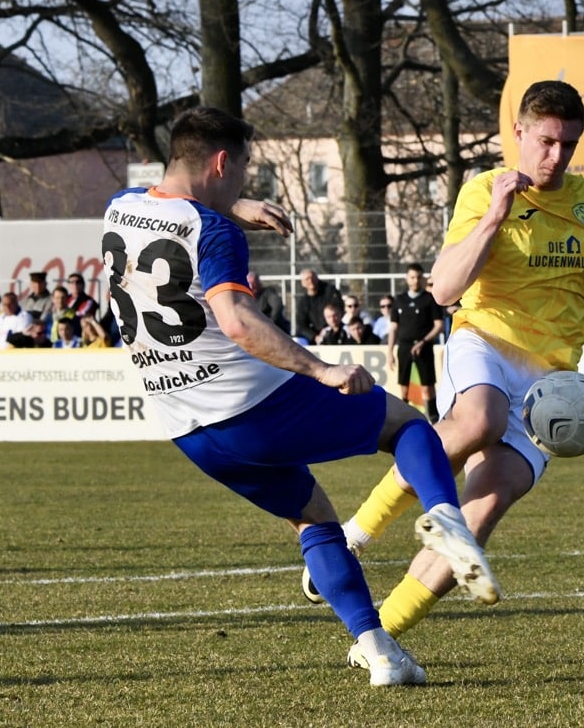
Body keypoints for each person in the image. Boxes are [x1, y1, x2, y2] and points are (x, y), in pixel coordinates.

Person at [101, 105, 497, 687]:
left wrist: (234, 203)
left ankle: (380, 651)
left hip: (189, 429)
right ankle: (445, 517)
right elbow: (235, 320)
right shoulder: (212, 231)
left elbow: (170, 202)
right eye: (242, 172)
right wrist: (319, 369)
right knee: (408, 427)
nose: (245, 182)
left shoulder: (122, 206)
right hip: (251, 404)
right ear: (219, 162)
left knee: (313, 517)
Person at [309, 81, 584, 648]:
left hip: (551, 384)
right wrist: (495, 216)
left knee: (481, 511)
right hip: (486, 339)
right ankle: (355, 535)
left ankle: (378, 639)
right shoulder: (483, 191)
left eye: (569, 145)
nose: (557, 157)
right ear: (518, 132)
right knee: (477, 422)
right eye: (546, 141)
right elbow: (443, 288)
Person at [387, 263, 445, 422]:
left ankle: (433, 420)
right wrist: (389, 352)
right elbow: (393, 328)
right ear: (407, 278)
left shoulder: (429, 299)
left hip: (424, 347)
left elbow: (439, 326)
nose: (416, 280)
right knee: (404, 388)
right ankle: (401, 421)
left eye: (419, 277)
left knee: (427, 387)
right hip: (404, 347)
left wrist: (423, 342)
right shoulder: (399, 300)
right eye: (412, 277)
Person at [293, 268, 342, 344]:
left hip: (333, 330)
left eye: (312, 277)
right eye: (307, 279)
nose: (311, 281)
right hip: (314, 335)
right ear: (303, 283)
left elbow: (338, 310)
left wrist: (327, 330)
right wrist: (314, 337)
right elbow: (301, 324)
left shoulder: (330, 291)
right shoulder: (303, 301)